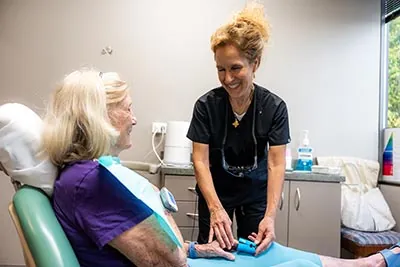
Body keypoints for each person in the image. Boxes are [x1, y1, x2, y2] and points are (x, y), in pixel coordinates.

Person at [0, 71, 399, 267]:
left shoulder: (88, 174)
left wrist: (195, 246)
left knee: (264, 252)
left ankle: (362, 264)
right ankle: (368, 265)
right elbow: (168, 259)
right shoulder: (92, 181)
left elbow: (160, 249)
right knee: (265, 259)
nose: (135, 118)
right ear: (100, 114)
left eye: (236, 68)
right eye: (128, 107)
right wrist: (169, 213)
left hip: (217, 227)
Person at [187, 2, 288, 254]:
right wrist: (214, 208)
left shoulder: (274, 108)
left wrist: (270, 216)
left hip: (255, 193)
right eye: (221, 69)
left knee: (254, 252)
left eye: (235, 68)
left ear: (255, 63)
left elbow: (276, 164)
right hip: (216, 192)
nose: (227, 78)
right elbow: (200, 160)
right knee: (212, 252)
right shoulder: (205, 106)